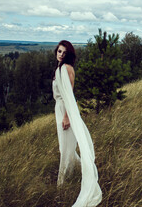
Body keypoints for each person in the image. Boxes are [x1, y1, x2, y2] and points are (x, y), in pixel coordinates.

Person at [53, 40, 102, 207]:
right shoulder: (59, 68)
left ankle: (63, 183)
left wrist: (67, 117)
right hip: (59, 109)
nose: (60, 54)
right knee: (65, 148)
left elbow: (69, 96)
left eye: (64, 53)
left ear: (68, 55)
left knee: (65, 149)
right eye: (59, 51)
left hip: (65, 111)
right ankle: (81, 169)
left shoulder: (67, 69)